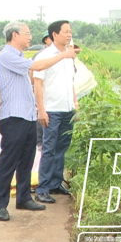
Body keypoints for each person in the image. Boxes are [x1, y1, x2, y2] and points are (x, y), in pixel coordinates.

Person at [0, 22, 76, 221]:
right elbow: (36, 67)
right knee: (8, 161)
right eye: (27, 34)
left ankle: (23, 197)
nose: (30, 37)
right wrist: (63, 55)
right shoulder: (7, 55)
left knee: (26, 160)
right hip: (14, 116)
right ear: (14, 35)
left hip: (27, 114)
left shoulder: (19, 56)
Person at [33, 20, 77, 204]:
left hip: (67, 110)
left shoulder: (69, 55)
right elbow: (38, 84)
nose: (69, 34)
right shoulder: (44, 56)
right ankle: (42, 189)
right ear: (55, 34)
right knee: (49, 149)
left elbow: (71, 83)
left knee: (62, 148)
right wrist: (41, 110)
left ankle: (55, 183)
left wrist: (75, 104)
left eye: (70, 31)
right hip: (51, 111)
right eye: (65, 31)